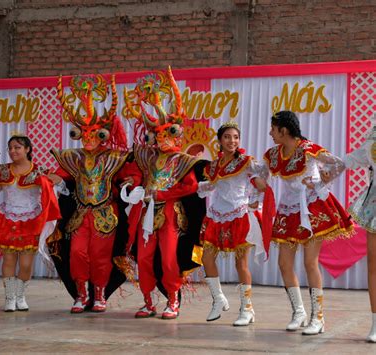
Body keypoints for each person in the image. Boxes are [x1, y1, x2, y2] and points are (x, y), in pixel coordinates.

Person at [49, 74, 140, 314]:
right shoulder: (72, 156)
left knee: (100, 255)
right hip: (80, 215)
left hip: (105, 215)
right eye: (83, 133)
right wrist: (52, 179)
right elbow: (59, 174)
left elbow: (130, 176)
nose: (88, 139)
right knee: (77, 252)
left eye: (94, 133)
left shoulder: (114, 157)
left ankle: (99, 295)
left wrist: (133, 181)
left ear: (103, 133)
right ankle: (81, 294)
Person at [123, 67, 205, 319]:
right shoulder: (147, 156)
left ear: (177, 133)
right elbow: (136, 173)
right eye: (156, 135)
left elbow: (190, 186)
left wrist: (163, 195)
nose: (161, 139)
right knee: (144, 258)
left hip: (168, 214)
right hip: (146, 213)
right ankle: (148, 302)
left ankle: (173, 301)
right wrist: (133, 183)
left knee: (169, 259)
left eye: (167, 133)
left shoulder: (182, 160)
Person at [262, 110, 353, 335]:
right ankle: (299, 312)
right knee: (284, 263)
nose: (270, 133)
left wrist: (322, 180)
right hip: (288, 208)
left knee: (310, 262)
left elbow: (338, 164)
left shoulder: (308, 149)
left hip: (310, 206)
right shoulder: (274, 154)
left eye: (273, 129)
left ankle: (318, 318)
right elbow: (261, 173)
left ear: (284, 130)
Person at [197, 120, 266, 326]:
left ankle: (247, 309)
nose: (232, 141)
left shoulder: (246, 161)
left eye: (235, 137)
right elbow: (213, 185)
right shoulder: (215, 165)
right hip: (217, 216)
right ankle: (218, 300)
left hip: (239, 215)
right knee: (207, 258)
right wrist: (194, 186)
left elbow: (261, 183)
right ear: (219, 140)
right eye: (227, 137)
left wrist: (256, 193)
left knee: (240, 263)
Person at [0, 134, 60, 312]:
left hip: (31, 222)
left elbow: (55, 184)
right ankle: (10, 297)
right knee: (9, 260)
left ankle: (20, 295)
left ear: (27, 150)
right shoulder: (2, 170)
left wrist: (56, 180)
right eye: (10, 148)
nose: (13, 151)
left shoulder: (40, 171)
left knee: (26, 264)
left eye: (17, 147)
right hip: (7, 219)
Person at [341, 120, 376, 342]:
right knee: (373, 262)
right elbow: (357, 157)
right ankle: (375, 322)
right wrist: (329, 164)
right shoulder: (374, 132)